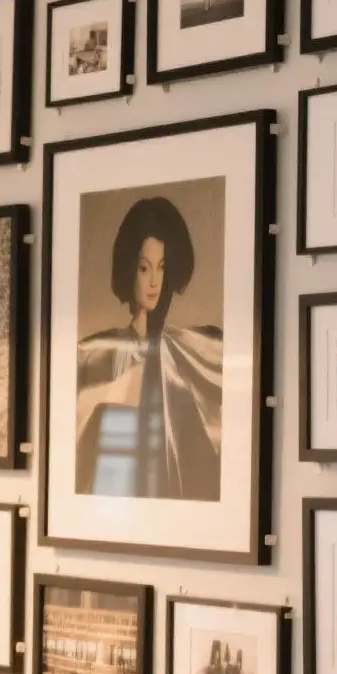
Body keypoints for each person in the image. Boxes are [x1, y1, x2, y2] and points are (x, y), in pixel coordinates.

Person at [76, 196, 223, 501]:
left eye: (161, 268)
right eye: (144, 269)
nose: (154, 281)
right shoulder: (94, 355)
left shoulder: (185, 351)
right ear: (129, 269)